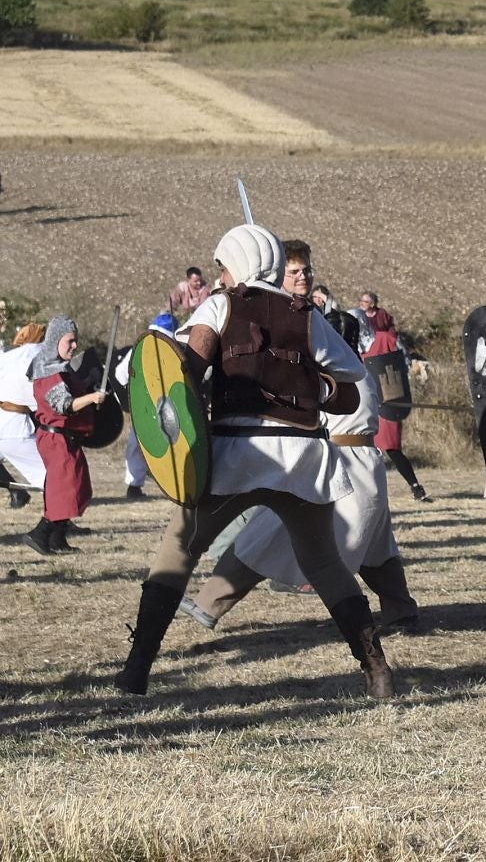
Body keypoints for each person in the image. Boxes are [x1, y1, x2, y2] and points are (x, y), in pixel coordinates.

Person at [114, 222, 396, 699]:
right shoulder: (306, 315)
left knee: (178, 550)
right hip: (304, 456)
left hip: (234, 454)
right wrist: (310, 383)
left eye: (223, 267)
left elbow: (185, 372)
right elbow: (347, 383)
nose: (220, 276)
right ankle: (377, 671)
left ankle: (136, 669)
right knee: (326, 564)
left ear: (238, 265)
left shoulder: (221, 304)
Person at [183, 308, 419, 633]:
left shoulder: (327, 376)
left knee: (263, 537)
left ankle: (208, 604)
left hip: (336, 465)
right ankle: (401, 611)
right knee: (378, 549)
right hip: (367, 468)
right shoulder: (360, 372)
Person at [21, 316, 106, 555]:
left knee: (77, 486)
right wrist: (92, 398)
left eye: (76, 341)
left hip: (65, 438)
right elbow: (63, 404)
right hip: (55, 439)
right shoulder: (48, 372)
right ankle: (39, 535)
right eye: (70, 341)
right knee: (65, 489)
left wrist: (90, 382)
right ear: (56, 340)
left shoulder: (60, 368)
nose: (74, 346)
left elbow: (71, 390)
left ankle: (58, 540)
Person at [359, 292, 428, 502]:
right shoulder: (350, 342)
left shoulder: (387, 339)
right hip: (364, 403)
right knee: (363, 449)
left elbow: (402, 364)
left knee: (392, 448)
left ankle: (416, 487)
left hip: (387, 400)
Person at [117, 313, 180, 500]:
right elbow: (121, 375)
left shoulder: (176, 350)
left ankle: (175, 484)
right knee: (138, 444)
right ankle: (134, 486)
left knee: (174, 444)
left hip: (170, 403)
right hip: (144, 403)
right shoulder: (139, 349)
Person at [1, 323, 48, 511]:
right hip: (15, 429)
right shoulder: (39, 356)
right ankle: (57, 526)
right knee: (53, 478)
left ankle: (17, 494)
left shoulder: (7, 358)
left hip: (5, 424)